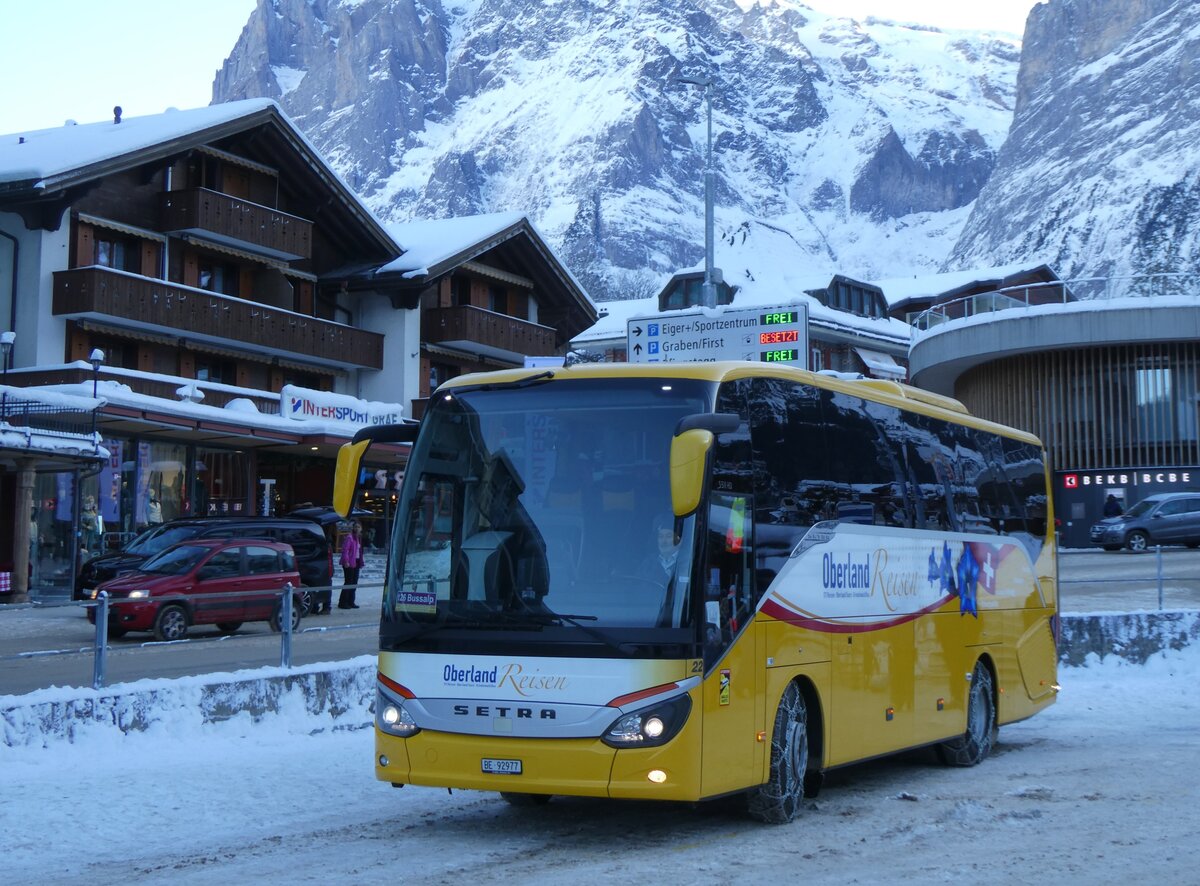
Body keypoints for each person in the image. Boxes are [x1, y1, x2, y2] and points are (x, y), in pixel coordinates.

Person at [338, 522, 365, 610]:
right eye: (356, 527)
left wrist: (361, 562)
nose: (357, 528)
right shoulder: (350, 537)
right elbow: (345, 550)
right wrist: (346, 561)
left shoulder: (359, 538)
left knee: (354, 583)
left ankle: (351, 601)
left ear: (361, 528)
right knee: (348, 582)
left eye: (359, 527)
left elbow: (360, 552)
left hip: (356, 562)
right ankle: (343, 602)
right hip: (349, 562)